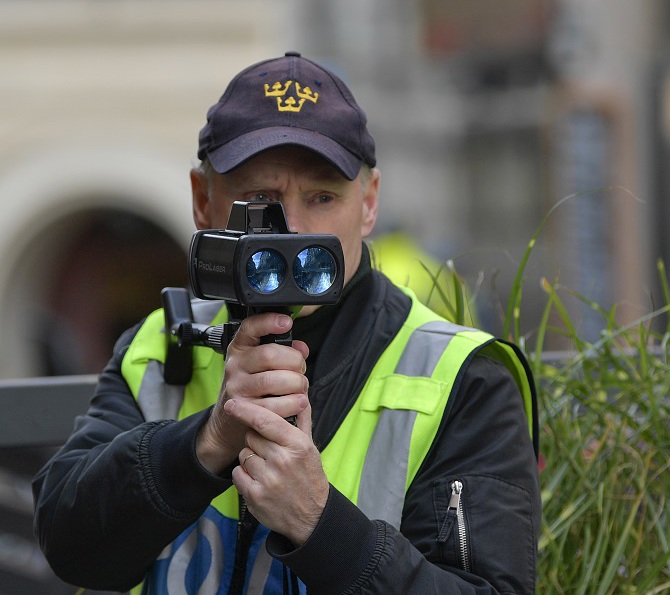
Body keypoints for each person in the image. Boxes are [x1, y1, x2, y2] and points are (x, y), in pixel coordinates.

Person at [32, 52, 540, 594]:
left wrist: (321, 525)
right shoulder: (157, 348)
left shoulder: (462, 378)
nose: (293, 228)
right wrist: (204, 442)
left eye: (322, 197)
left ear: (368, 204)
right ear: (203, 201)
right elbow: (69, 544)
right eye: (260, 200)